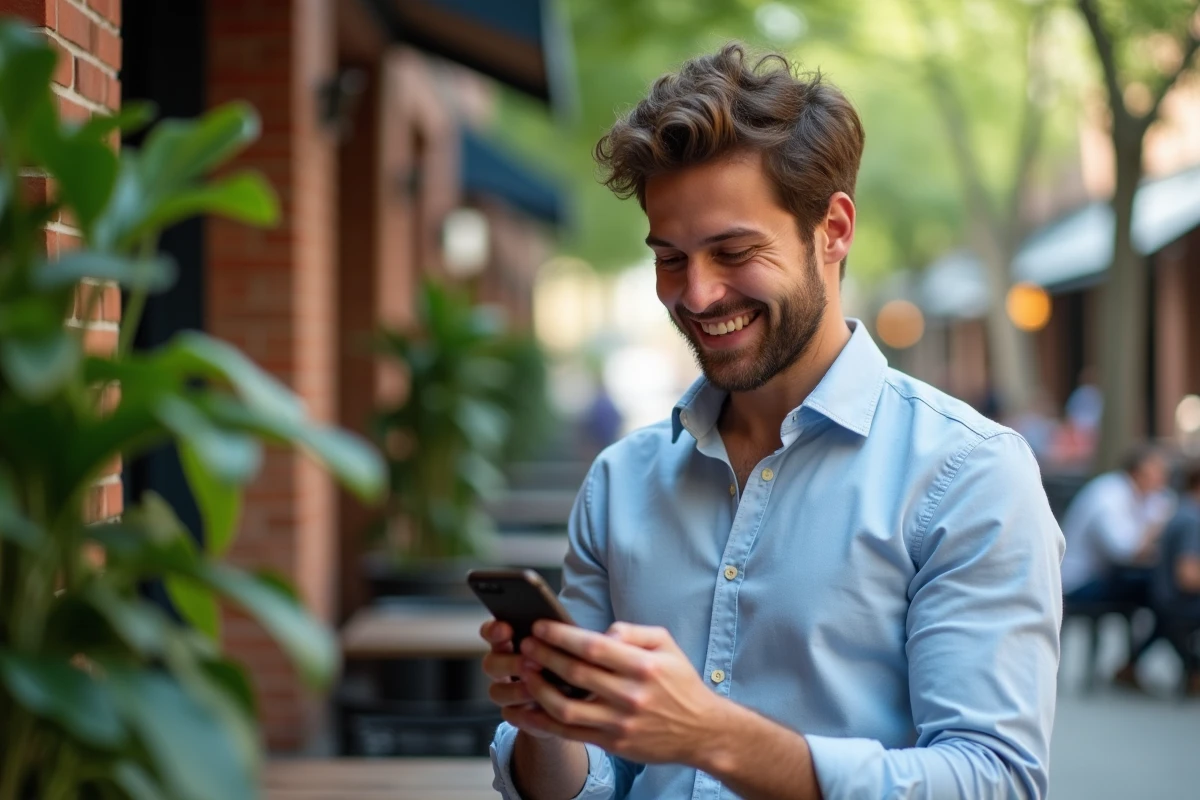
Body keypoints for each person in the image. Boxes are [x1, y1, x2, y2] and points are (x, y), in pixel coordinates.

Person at [480, 44, 1063, 800]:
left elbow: (995, 781)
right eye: (670, 258)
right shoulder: (619, 485)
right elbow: (597, 778)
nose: (696, 294)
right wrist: (545, 721)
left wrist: (712, 737)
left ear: (834, 229)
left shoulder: (970, 476)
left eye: (733, 251)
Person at [1059, 444, 1173, 605]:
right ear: (1137, 472)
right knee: (1160, 585)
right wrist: (1157, 526)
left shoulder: (1145, 496)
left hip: (1106, 575)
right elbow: (1124, 552)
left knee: (1162, 581)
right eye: (1157, 473)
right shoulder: (1108, 495)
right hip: (1080, 581)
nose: (1162, 480)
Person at [1150, 460, 1200, 695]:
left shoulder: (1182, 511)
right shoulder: (1192, 519)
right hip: (1179, 602)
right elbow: (1188, 577)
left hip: (1166, 598)